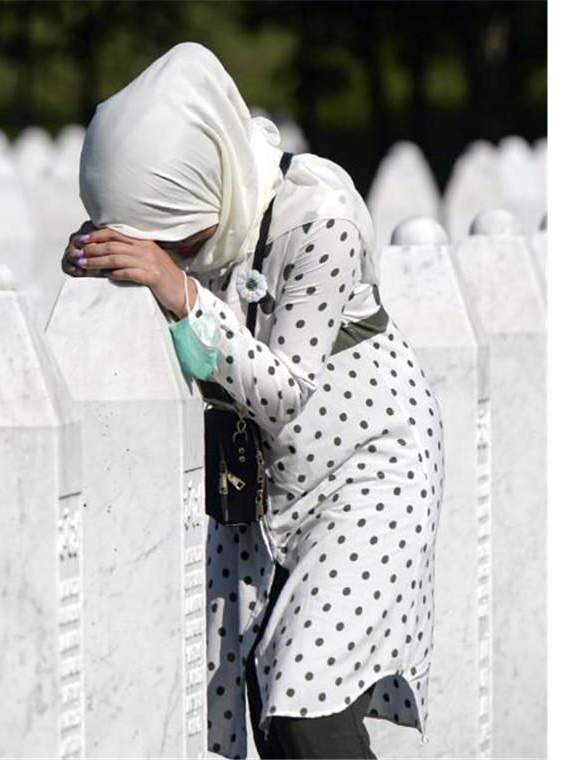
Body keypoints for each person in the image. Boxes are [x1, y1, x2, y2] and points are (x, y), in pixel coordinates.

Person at [64, 43, 444, 759]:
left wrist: (171, 289)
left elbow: (286, 390)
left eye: (174, 238)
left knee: (305, 689)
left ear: (205, 184)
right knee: (261, 702)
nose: (173, 257)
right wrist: (112, 267)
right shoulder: (212, 226)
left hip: (369, 469)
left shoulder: (319, 218)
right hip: (265, 484)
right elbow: (197, 333)